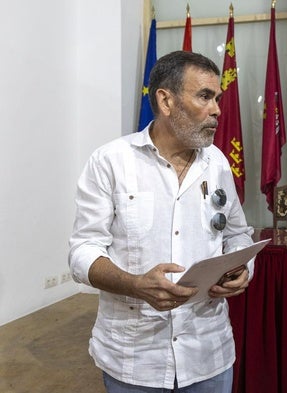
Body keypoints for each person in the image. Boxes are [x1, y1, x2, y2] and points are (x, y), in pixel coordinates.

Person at [68, 51, 254, 393]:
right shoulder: (111, 161)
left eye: (217, 98)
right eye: (204, 96)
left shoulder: (217, 163)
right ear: (165, 100)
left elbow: (237, 235)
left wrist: (242, 270)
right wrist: (135, 284)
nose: (217, 110)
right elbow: (83, 251)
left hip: (208, 355)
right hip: (135, 360)